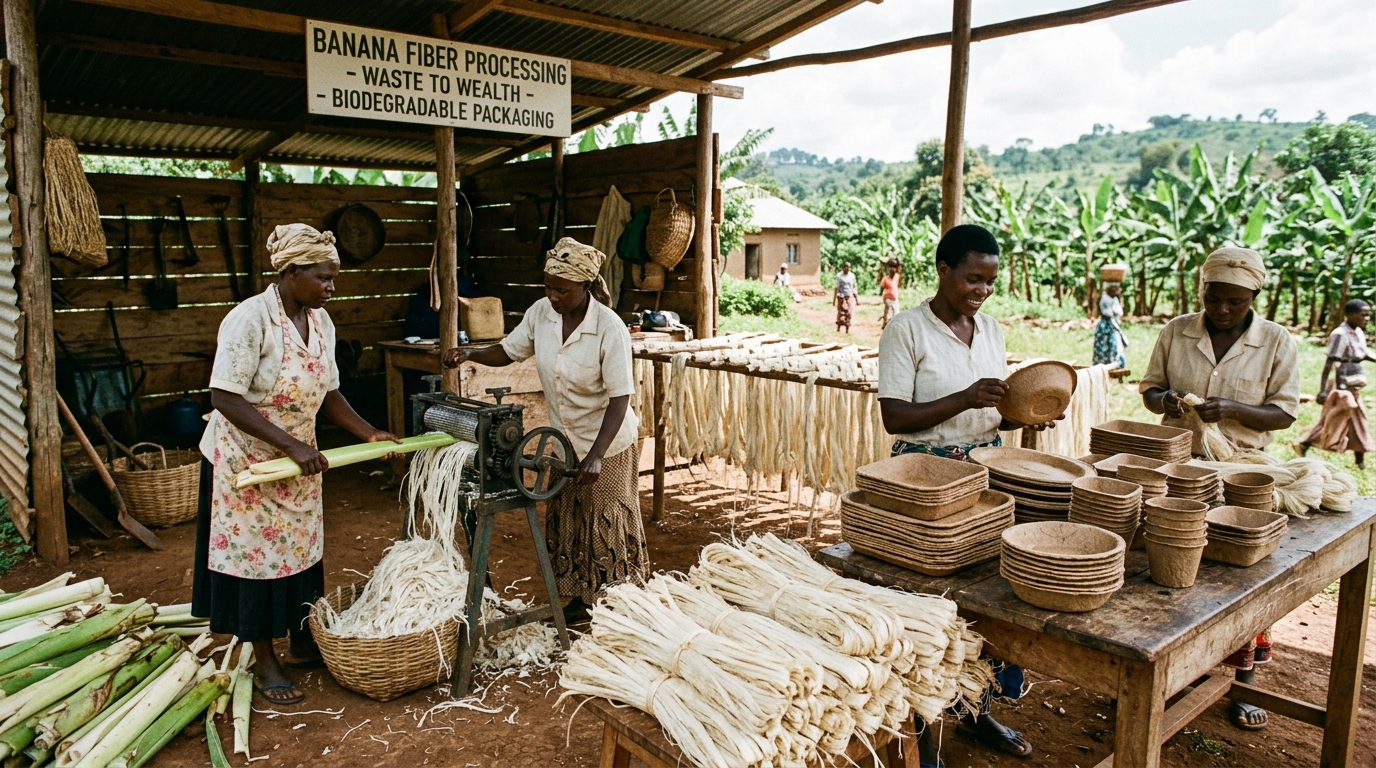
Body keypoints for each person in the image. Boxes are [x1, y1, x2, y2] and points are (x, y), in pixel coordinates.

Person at [192, 224, 401, 706]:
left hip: (299, 460)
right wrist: (288, 445)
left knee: (301, 553)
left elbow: (328, 392)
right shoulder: (249, 320)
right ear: (290, 272)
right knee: (254, 562)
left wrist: (367, 432)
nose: (332, 286)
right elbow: (224, 395)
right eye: (324, 277)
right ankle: (263, 656)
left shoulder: (321, 322)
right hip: (246, 462)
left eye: (334, 277)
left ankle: (303, 640)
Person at [879, 224, 1057, 763]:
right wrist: (963, 398)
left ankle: (977, 713)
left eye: (989, 281)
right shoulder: (907, 330)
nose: (981, 290)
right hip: (923, 478)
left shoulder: (993, 331)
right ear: (943, 271)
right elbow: (895, 416)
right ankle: (925, 739)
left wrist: (1027, 412)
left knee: (984, 604)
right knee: (932, 610)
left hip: (985, 472)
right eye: (972, 279)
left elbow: (993, 406)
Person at [442, 238, 646, 625]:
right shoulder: (542, 314)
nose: (552, 295)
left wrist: (597, 455)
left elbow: (620, 399)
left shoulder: (609, 328)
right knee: (567, 517)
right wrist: (471, 354)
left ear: (585, 286)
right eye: (548, 286)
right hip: (563, 441)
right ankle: (575, 601)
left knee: (604, 520)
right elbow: (508, 351)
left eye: (561, 290)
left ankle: (617, 607)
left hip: (608, 441)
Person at [1139, 246, 1300, 731]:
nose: (1223, 309)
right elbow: (1149, 390)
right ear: (1201, 291)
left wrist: (1231, 409)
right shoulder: (1177, 332)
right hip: (1179, 468)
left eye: (1235, 301)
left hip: (1243, 472)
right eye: (1214, 299)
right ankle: (1180, 673)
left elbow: (1285, 412)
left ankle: (1243, 678)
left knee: (1240, 577)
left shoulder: (1275, 341)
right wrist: (1164, 400)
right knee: (1179, 569)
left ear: (1254, 295)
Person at [1296, 299, 1376, 468]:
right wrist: (1324, 390)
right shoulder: (1340, 334)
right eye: (1363, 315)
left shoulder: (1359, 332)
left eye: (1369, 315)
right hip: (1342, 386)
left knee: (1356, 421)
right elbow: (1330, 363)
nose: (1367, 318)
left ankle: (1359, 460)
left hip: (1354, 384)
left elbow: (1362, 354)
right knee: (1335, 420)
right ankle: (1305, 443)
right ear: (1350, 315)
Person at [1094, 282, 1128, 368]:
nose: (1116, 292)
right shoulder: (1105, 299)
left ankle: (1116, 365)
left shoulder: (1115, 300)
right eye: (1114, 290)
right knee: (1105, 346)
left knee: (1116, 346)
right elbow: (1109, 312)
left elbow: (1119, 312)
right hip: (1105, 325)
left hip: (1113, 324)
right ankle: (1104, 366)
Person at [834, 262, 858, 333]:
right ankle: (839, 326)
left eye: (849, 267)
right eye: (846, 267)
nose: (847, 268)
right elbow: (836, 287)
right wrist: (834, 299)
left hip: (849, 296)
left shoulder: (852, 276)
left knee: (849, 312)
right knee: (841, 312)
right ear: (843, 268)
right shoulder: (839, 276)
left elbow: (854, 287)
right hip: (841, 296)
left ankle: (847, 328)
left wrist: (856, 298)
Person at [880, 262, 902, 329]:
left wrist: (898, 261)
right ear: (888, 269)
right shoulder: (885, 279)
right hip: (887, 298)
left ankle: (893, 326)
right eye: (890, 268)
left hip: (895, 298)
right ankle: (886, 324)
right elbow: (882, 287)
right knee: (888, 311)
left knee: (896, 312)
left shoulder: (897, 277)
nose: (892, 269)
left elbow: (900, 268)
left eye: (894, 267)